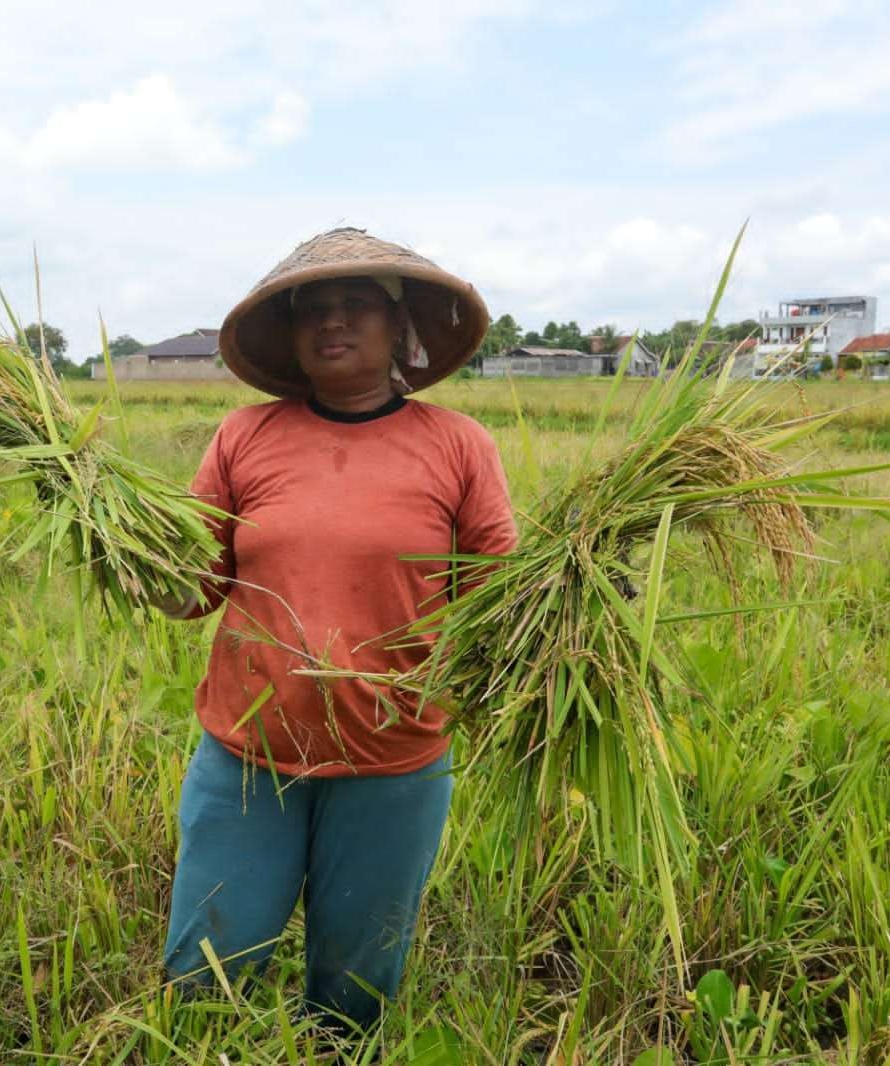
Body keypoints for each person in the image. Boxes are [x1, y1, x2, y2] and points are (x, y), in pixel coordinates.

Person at [161, 228, 518, 1031]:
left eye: (357, 304)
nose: (333, 321)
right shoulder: (243, 436)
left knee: (356, 989)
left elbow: (499, 597)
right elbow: (193, 590)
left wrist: (578, 591)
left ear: (400, 328)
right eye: (312, 308)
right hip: (247, 755)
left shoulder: (458, 445)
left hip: (394, 758)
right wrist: (128, 553)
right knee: (205, 974)